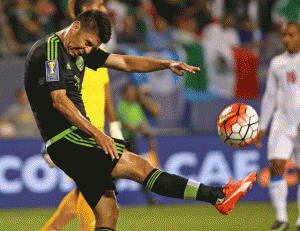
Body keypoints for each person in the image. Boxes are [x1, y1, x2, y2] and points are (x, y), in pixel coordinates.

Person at [24, 10, 256, 231]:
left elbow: (125, 63)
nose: (87, 50)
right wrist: (98, 134)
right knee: (141, 168)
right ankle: (218, 195)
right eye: (87, 43)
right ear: (75, 26)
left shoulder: (79, 48)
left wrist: (165, 64)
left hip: (69, 141)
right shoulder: (51, 49)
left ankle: (219, 197)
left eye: (92, 47)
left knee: (108, 211)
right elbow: (59, 101)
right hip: (69, 138)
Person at [40, 1, 124, 230]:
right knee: (96, 191)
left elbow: (104, 86)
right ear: (86, 9)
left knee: (83, 193)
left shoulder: (97, 47)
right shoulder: (67, 46)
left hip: (96, 128)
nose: (105, 8)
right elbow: (53, 93)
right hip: (77, 129)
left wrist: (114, 123)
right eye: (99, 4)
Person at [254, 21, 300, 231]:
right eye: (284, 35)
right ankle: (281, 219)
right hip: (282, 121)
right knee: (276, 165)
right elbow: (270, 96)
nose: (285, 39)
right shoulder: (277, 63)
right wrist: (262, 126)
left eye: (290, 35)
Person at [117, 84, 159, 205]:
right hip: (122, 142)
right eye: (130, 92)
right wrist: (143, 131)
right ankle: (105, 196)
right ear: (124, 94)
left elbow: (142, 123)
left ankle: (150, 199)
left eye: (133, 91)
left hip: (133, 142)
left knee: (136, 170)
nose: (133, 94)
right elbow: (129, 127)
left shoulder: (136, 106)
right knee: (121, 171)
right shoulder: (121, 106)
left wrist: (150, 138)